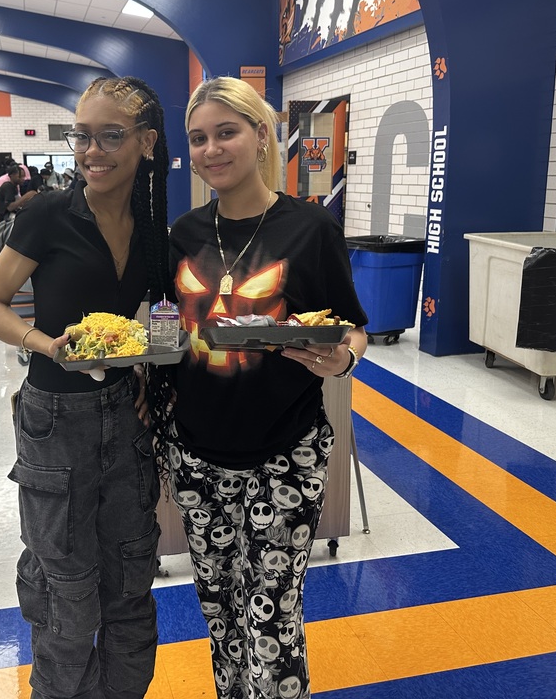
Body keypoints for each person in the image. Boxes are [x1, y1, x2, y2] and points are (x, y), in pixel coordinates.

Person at [165, 76, 369, 699]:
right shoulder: (182, 235)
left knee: (272, 617)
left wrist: (343, 362)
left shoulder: (309, 229)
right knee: (221, 614)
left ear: (261, 135)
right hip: (197, 453)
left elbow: (353, 326)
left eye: (226, 132)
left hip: (285, 449)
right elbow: (164, 327)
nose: (211, 149)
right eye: (199, 138)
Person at [0, 76, 171, 699]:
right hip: (54, 418)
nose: (93, 152)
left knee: (130, 591)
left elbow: (148, 321)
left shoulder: (152, 225)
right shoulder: (47, 215)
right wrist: (47, 345)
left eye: (111, 136)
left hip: (124, 416)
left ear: (146, 142)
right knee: (67, 598)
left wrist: (143, 368)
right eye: (82, 136)